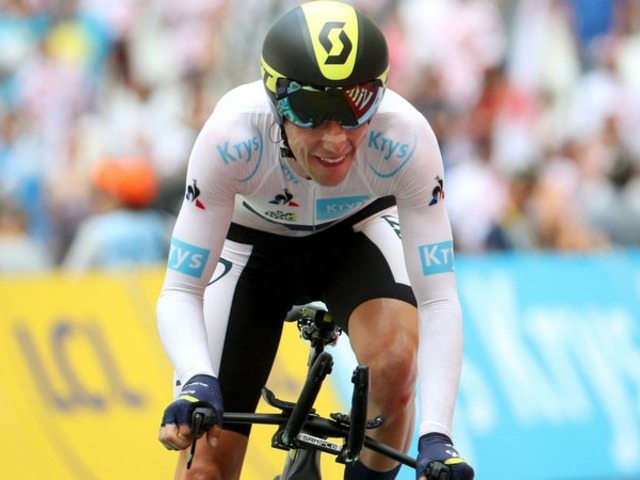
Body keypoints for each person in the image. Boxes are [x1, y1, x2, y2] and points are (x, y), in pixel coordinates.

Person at [156, 2, 474, 480]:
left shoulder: (406, 139)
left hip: (355, 233)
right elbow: (182, 288)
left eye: (356, 108)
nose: (335, 139)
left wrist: (437, 435)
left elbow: (439, 299)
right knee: (203, 469)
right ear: (275, 100)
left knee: (393, 366)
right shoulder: (232, 137)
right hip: (249, 249)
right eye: (310, 112)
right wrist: (196, 380)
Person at [62, 155, 173, 270]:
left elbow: (72, 276)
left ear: (112, 198)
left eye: (99, 194)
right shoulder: (161, 225)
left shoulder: (95, 231)